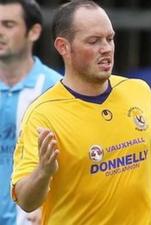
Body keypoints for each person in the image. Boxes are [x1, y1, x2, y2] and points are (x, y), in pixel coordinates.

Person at [11, 1, 151, 225]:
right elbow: (26, 201)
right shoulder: (43, 115)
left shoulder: (138, 91)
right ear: (63, 47)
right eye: (93, 41)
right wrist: (44, 172)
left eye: (110, 38)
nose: (106, 48)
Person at [0, 0, 61, 225]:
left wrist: (43, 205)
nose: (0, 32)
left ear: (34, 31)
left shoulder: (57, 89)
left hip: (33, 219)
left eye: (8, 24)